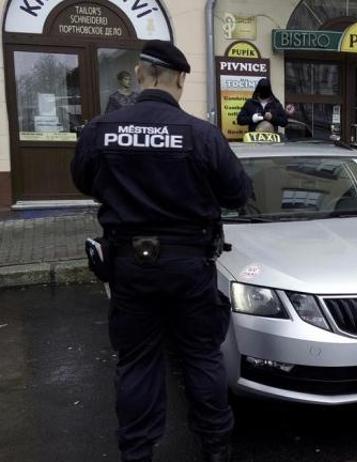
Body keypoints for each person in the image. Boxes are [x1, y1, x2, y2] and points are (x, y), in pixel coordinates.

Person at [71, 40, 251, 462]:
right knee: (201, 356)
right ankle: (215, 448)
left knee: (137, 361)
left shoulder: (102, 130)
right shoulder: (202, 135)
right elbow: (238, 193)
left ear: (139, 73)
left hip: (130, 265)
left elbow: (84, 181)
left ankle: (137, 453)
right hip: (189, 264)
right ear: (181, 79)